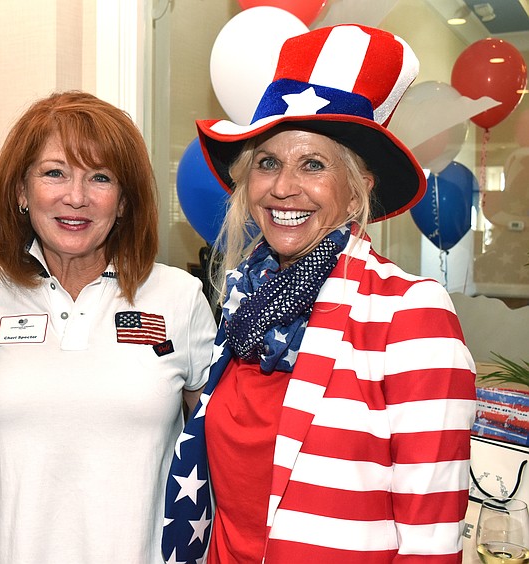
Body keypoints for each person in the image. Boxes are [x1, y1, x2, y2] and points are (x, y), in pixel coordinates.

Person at [163, 24, 477, 564]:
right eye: (267, 162)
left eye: (313, 164)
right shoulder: (244, 305)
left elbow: (430, 541)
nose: (284, 187)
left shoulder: (410, 313)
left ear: (359, 187)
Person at [0, 90, 216, 563]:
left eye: (100, 177)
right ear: (20, 192)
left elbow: (220, 452)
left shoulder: (179, 298)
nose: (76, 197)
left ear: (125, 201)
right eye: (55, 173)